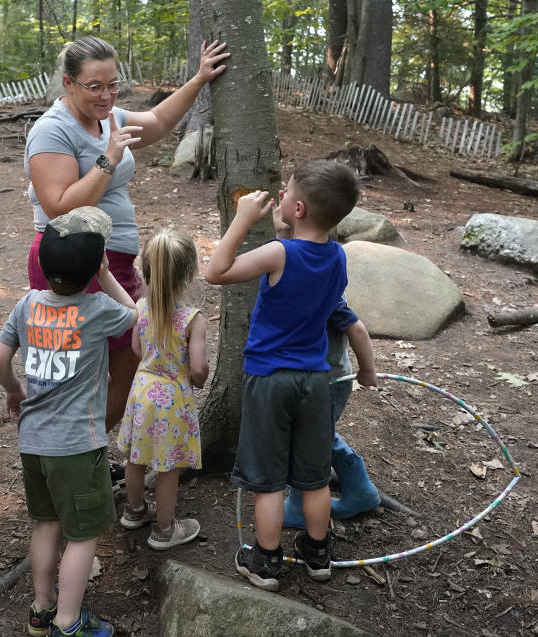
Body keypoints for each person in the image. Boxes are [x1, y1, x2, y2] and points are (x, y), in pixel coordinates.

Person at [24, 35, 228, 442]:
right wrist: (108, 159)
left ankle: (86, 447)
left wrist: (199, 78)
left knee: (130, 355)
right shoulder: (52, 130)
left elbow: (158, 122)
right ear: (68, 83)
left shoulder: (109, 116)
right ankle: (73, 449)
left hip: (112, 264)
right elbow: (58, 207)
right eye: (94, 86)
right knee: (81, 362)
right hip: (76, 264)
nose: (106, 94)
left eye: (113, 84)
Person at [206, 159, 360, 591]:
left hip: (269, 380)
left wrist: (241, 221)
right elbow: (297, 273)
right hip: (314, 380)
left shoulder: (279, 253)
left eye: (287, 189)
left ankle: (267, 562)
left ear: (297, 209)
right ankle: (318, 555)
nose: (282, 192)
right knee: (313, 478)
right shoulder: (338, 256)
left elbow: (214, 271)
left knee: (270, 480)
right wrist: (282, 234)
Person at [0, 207, 137, 637]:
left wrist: (14, 391)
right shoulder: (97, 309)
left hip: (33, 440)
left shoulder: (28, 303)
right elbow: (136, 314)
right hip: (77, 445)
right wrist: (107, 275)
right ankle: (68, 623)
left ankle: (41, 609)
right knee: (84, 535)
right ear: (94, 268)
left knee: (47, 523)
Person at [271, 210, 381, 528]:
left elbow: (356, 329)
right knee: (316, 435)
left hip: (327, 380)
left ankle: (306, 503)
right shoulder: (309, 269)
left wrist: (368, 370)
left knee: (311, 439)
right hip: (311, 378)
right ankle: (357, 487)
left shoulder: (323, 292)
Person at [116, 230, 208, 550]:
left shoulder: (141, 308)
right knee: (168, 467)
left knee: (136, 458)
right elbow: (197, 369)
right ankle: (165, 530)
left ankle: (134, 511)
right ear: (190, 273)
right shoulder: (193, 319)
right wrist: (198, 378)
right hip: (172, 400)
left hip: (141, 394)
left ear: (147, 271)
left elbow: (136, 348)